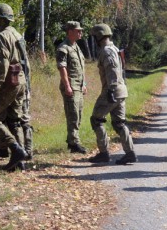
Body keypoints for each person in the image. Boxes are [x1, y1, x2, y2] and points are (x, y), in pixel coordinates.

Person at [0, 4, 31, 171]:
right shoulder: (17, 34)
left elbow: (2, 66)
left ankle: (16, 149)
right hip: (21, 79)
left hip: (9, 81)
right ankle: (20, 161)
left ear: (2, 20)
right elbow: (25, 61)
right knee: (14, 120)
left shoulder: (2, 36)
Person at [88, 23, 136, 165]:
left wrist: (110, 90)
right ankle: (130, 153)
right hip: (120, 90)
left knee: (96, 119)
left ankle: (104, 153)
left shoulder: (107, 51)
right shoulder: (114, 49)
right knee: (119, 123)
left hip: (112, 90)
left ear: (99, 37)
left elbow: (113, 71)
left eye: (94, 37)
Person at [56, 20, 88, 153]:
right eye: (78, 31)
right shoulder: (63, 48)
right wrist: (67, 86)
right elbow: (62, 68)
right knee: (73, 115)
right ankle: (74, 143)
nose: (80, 33)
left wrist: (84, 84)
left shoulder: (76, 47)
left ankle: (72, 141)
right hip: (71, 86)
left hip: (79, 86)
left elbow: (81, 68)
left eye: (81, 31)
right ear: (70, 32)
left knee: (78, 114)